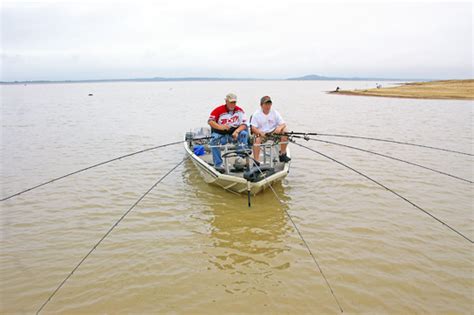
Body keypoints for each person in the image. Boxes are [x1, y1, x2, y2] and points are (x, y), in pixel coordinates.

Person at [208, 93, 249, 172]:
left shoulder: (240, 111)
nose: (232, 104)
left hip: (233, 134)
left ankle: (239, 159)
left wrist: (237, 131)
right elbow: (210, 121)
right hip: (220, 134)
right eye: (231, 102)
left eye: (234, 102)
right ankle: (218, 164)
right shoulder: (218, 110)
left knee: (244, 134)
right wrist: (221, 127)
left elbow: (245, 124)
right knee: (213, 141)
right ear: (226, 101)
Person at [250, 96, 291, 164]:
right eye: (266, 104)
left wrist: (279, 128)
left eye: (269, 104)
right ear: (261, 105)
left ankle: (282, 154)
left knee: (285, 131)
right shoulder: (256, 114)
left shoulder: (275, 112)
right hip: (262, 134)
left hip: (273, 133)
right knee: (257, 140)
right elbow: (253, 128)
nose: (268, 106)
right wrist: (260, 132)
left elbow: (283, 124)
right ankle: (256, 161)